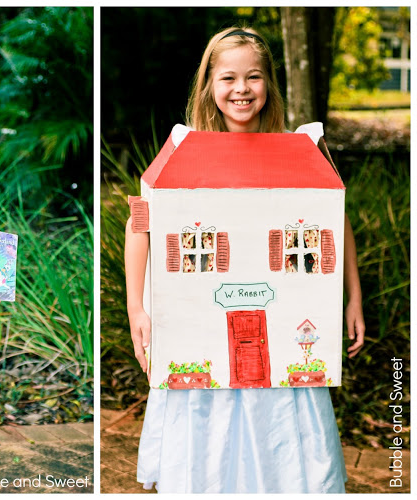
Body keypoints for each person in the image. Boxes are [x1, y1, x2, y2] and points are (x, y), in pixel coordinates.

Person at [125, 26, 365, 493]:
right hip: (199, 330)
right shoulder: (183, 150)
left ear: (268, 84)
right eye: (228, 78)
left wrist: (352, 297)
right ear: (209, 86)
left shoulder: (299, 150)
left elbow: (334, 220)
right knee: (208, 441)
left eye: (253, 77)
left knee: (283, 437)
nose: (241, 89)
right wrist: (138, 307)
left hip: (285, 331)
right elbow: (141, 224)